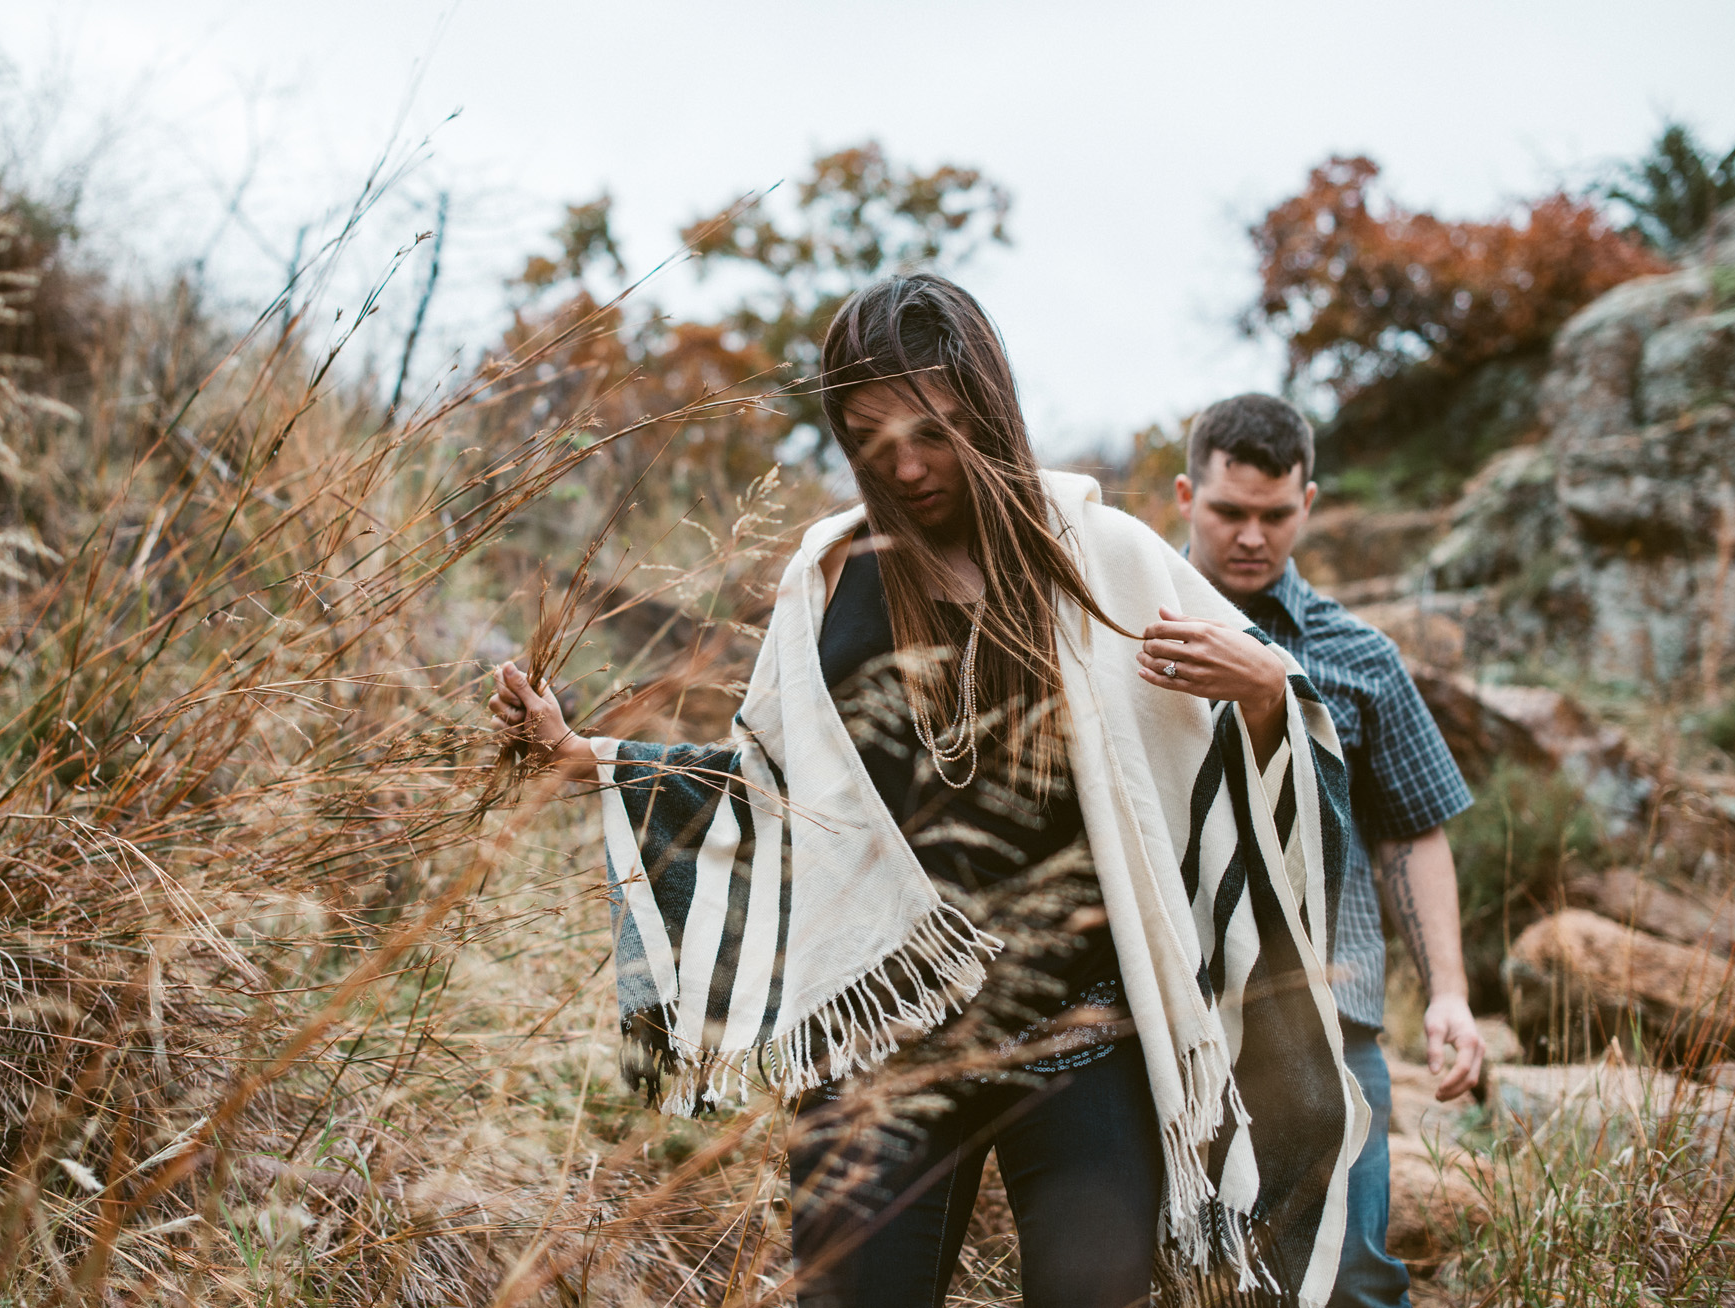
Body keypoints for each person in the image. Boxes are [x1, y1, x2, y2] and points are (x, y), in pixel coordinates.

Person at [493, 275, 1367, 1308]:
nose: (906, 466)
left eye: (939, 430)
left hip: (1082, 1047)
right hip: (881, 1051)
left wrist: (1267, 698)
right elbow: (780, 797)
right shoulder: (827, 580)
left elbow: (1257, 762)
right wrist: (589, 760)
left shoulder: (1108, 559)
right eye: (871, 438)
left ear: (989, 412)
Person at [1172, 394, 1486, 1308]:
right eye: (1229, 512)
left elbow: (1413, 831)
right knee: (1189, 1278)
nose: (1250, 537)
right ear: (1189, 493)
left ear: (1308, 502)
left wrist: (1451, 995)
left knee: (1351, 1278)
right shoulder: (1125, 627)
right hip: (1172, 1022)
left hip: (1330, 1021)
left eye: (1274, 515)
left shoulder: (1362, 657)